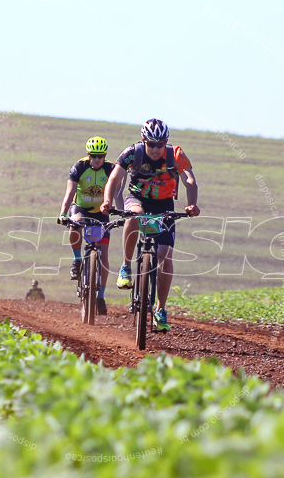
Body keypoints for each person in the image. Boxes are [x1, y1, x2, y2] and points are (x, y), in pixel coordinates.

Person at [100, 119, 199, 333]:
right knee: (133, 216)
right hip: (138, 198)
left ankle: (161, 309)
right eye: (151, 144)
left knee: (165, 255)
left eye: (160, 144)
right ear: (144, 141)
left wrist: (192, 204)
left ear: (166, 143)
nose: (155, 149)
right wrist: (107, 201)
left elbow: (189, 180)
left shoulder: (176, 155)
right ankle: (126, 266)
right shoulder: (132, 153)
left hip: (164, 203)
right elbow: (114, 180)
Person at [58, 136, 121, 316]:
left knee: (104, 252)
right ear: (88, 155)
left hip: (102, 212)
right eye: (93, 156)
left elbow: (117, 193)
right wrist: (63, 214)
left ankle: (100, 296)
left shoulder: (110, 169)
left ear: (105, 156)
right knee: (75, 224)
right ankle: (77, 261)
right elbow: (69, 193)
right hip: (81, 209)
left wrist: (122, 213)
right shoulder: (79, 167)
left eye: (100, 156)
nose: (97, 159)